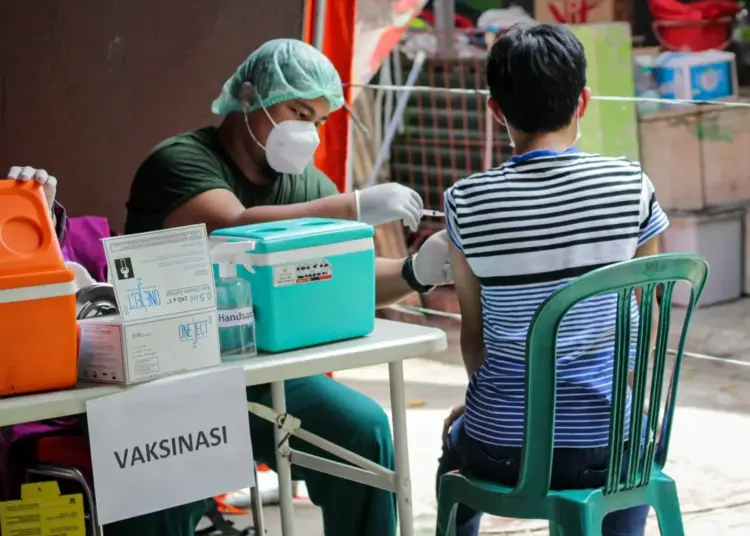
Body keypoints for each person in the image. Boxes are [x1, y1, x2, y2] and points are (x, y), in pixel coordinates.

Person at [120, 38, 453, 536]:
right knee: (167, 487)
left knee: (363, 432)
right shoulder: (180, 162)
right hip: (169, 377)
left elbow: (349, 274)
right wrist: (351, 206)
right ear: (250, 96)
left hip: (262, 377)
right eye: (299, 112)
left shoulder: (305, 187)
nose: (309, 132)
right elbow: (235, 231)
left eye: (319, 121)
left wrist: (415, 272)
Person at [436, 24, 669, 536]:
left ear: (496, 110)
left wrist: (494, 407)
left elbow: (473, 338)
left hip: (501, 450)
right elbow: (648, 321)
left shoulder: (466, 203)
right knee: (634, 439)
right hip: (610, 447)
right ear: (582, 102)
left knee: (457, 438)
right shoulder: (632, 186)